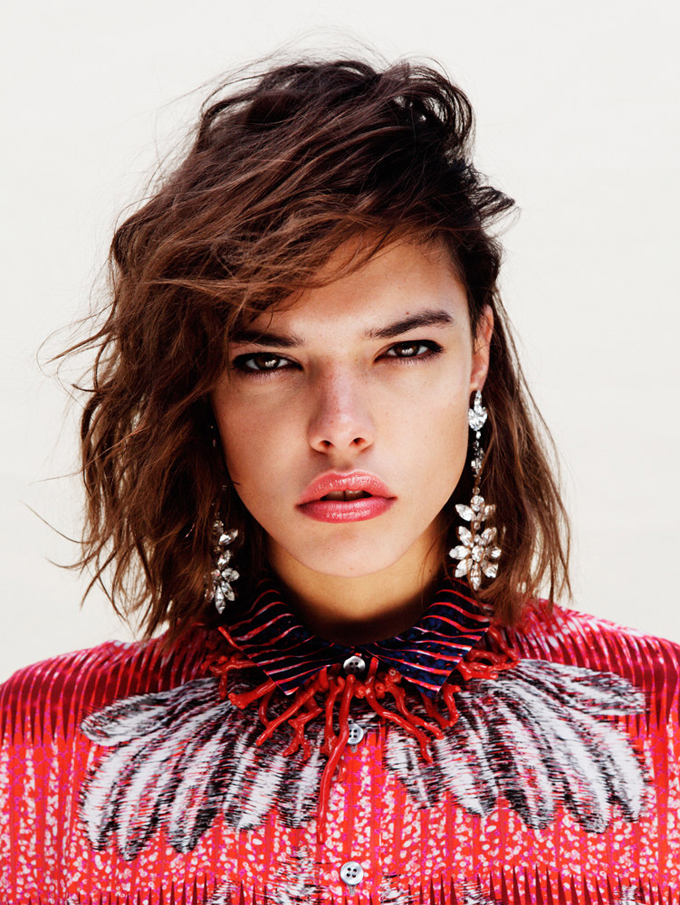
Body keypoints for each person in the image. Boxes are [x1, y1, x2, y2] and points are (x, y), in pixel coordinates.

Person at [0, 57, 677, 904]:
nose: (340, 424)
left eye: (405, 349)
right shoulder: (32, 749)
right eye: (268, 360)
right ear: (203, 386)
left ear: (477, 352)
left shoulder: (663, 722)